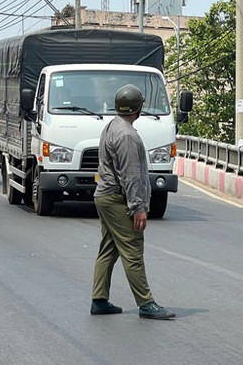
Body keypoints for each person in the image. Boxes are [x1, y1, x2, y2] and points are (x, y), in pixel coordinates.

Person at [90, 84, 175, 320]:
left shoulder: (112, 126)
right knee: (133, 250)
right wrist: (138, 208)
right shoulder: (127, 135)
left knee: (109, 248)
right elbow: (130, 175)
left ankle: (99, 299)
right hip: (118, 199)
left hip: (105, 196)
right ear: (139, 108)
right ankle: (146, 303)